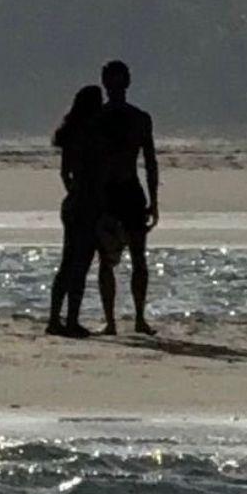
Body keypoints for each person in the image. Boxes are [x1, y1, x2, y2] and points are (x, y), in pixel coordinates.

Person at [91, 60, 159, 336]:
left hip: (124, 192)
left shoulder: (136, 118)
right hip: (113, 193)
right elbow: (150, 163)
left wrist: (154, 199)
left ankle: (131, 319)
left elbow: (150, 162)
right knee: (111, 259)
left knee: (131, 258)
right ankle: (117, 320)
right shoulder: (106, 118)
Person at [46, 84, 110, 338]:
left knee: (67, 262)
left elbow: (65, 173)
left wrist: (74, 190)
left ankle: (54, 318)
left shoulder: (71, 135)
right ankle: (71, 319)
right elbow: (101, 173)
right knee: (81, 263)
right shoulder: (94, 136)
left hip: (73, 201)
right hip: (89, 203)